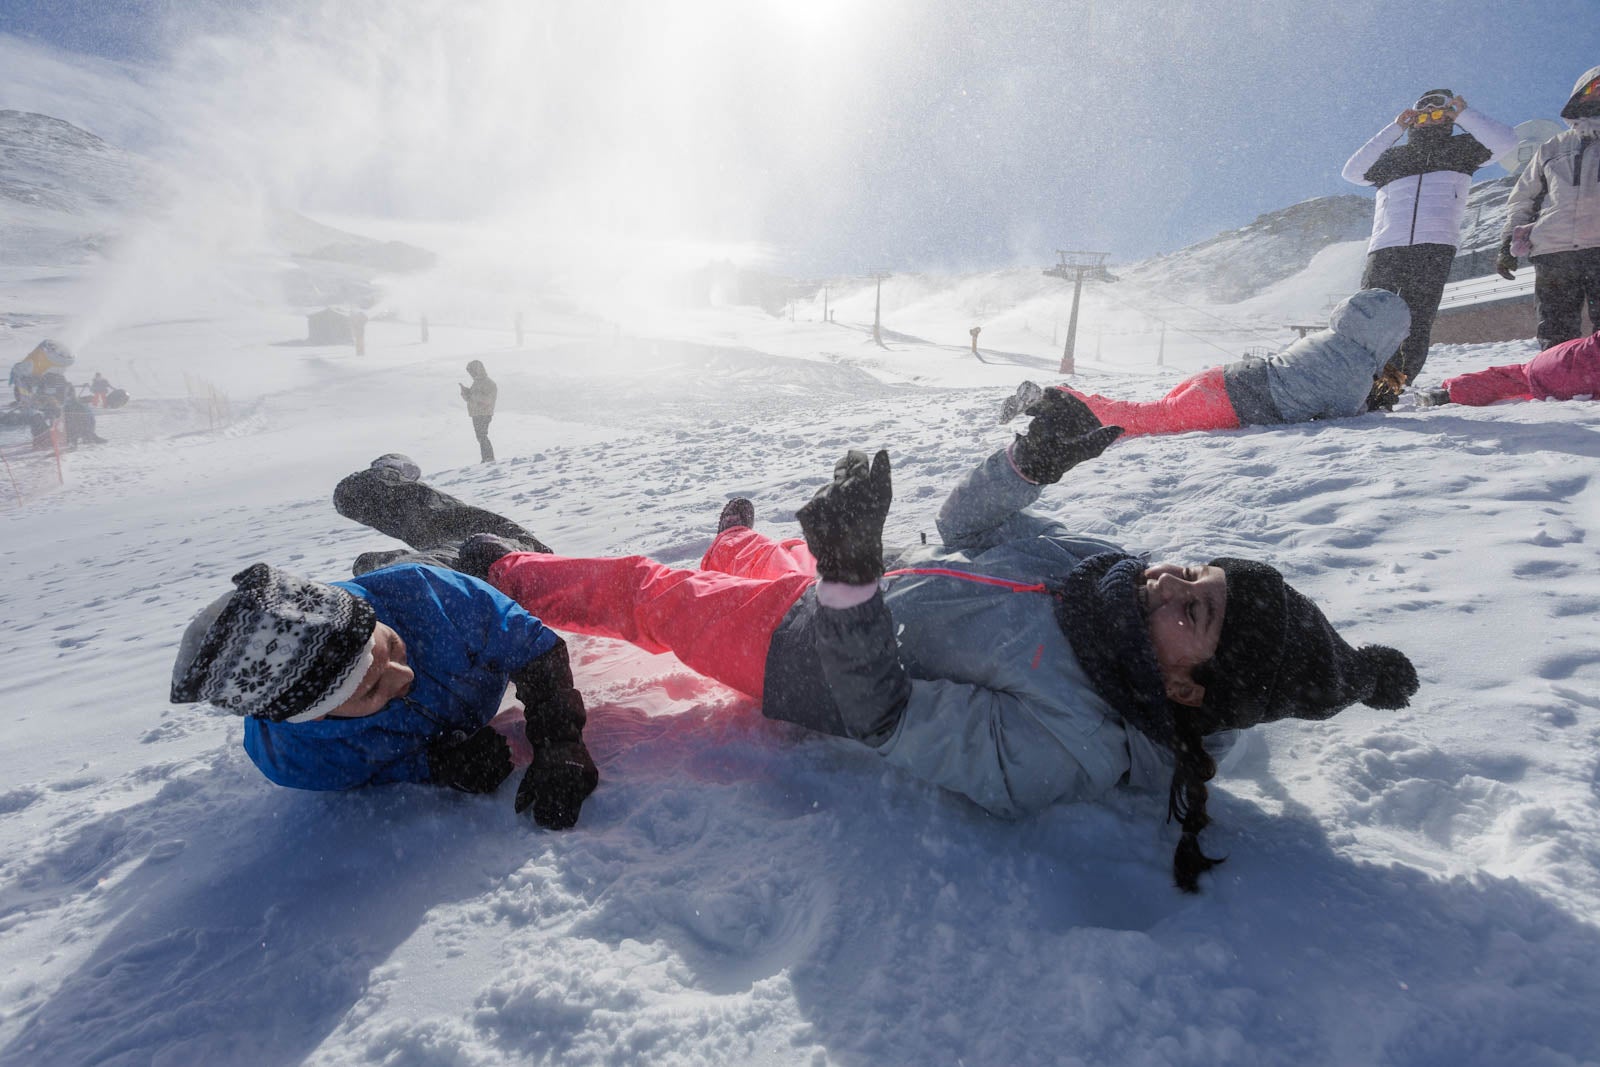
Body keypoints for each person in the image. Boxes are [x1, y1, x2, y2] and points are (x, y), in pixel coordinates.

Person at [406, 395, 1418, 893]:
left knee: (649, 593)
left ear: (1189, 690)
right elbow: (971, 528)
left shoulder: (1073, 743)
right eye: (1196, 572)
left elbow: (889, 714)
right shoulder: (1108, 574)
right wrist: (1026, 463)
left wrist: (848, 590)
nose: (1168, 578)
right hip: (866, 589)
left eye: (1190, 609)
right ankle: (736, 537)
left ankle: (500, 571)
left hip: (813, 662)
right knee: (781, 557)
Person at [168, 454, 596, 829]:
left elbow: (534, 647)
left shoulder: (429, 596)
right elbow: (367, 766)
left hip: (446, 571)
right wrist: (436, 765)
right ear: (317, 718)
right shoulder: (300, 761)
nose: (402, 673)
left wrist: (560, 740)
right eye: (371, 687)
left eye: (389, 645)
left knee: (527, 556)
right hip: (389, 595)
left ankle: (374, 486)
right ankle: (375, 564)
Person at [999, 289, 1410, 438]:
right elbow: (1343, 415)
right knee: (1139, 421)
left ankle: (1064, 401)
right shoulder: (1355, 372)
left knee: (1146, 413)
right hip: (1232, 402)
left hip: (1223, 378)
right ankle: (1051, 401)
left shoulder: (1326, 338)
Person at [1342, 91, 1516, 404]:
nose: (1430, 117)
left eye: (1439, 111)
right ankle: (1360, 386)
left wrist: (1463, 115)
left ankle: (1388, 391)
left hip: (1433, 247)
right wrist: (1394, 128)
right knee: (1370, 319)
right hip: (1386, 247)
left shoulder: (1462, 150)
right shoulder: (1393, 159)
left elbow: (1507, 143)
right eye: (1424, 111)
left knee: (1415, 322)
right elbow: (1352, 172)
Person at [1496, 66, 1600, 351]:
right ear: (1580, 95)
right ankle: (1560, 390)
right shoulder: (1552, 147)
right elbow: (1523, 198)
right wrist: (1508, 242)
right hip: (1554, 253)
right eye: (1596, 87)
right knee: (1556, 336)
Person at [1419, 329, 1600, 407]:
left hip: (1561, 363)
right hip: (1568, 367)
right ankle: (1449, 393)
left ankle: (1449, 393)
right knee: (1518, 380)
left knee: (1514, 378)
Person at [461, 359, 497, 462]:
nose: (471, 374)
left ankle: (488, 458)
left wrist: (473, 395)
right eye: (470, 372)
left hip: (484, 413)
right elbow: (471, 399)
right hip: (476, 413)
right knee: (480, 436)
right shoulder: (476, 383)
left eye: (472, 371)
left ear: (478, 370)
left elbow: (488, 399)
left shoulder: (488, 383)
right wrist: (465, 393)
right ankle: (486, 457)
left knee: (482, 435)